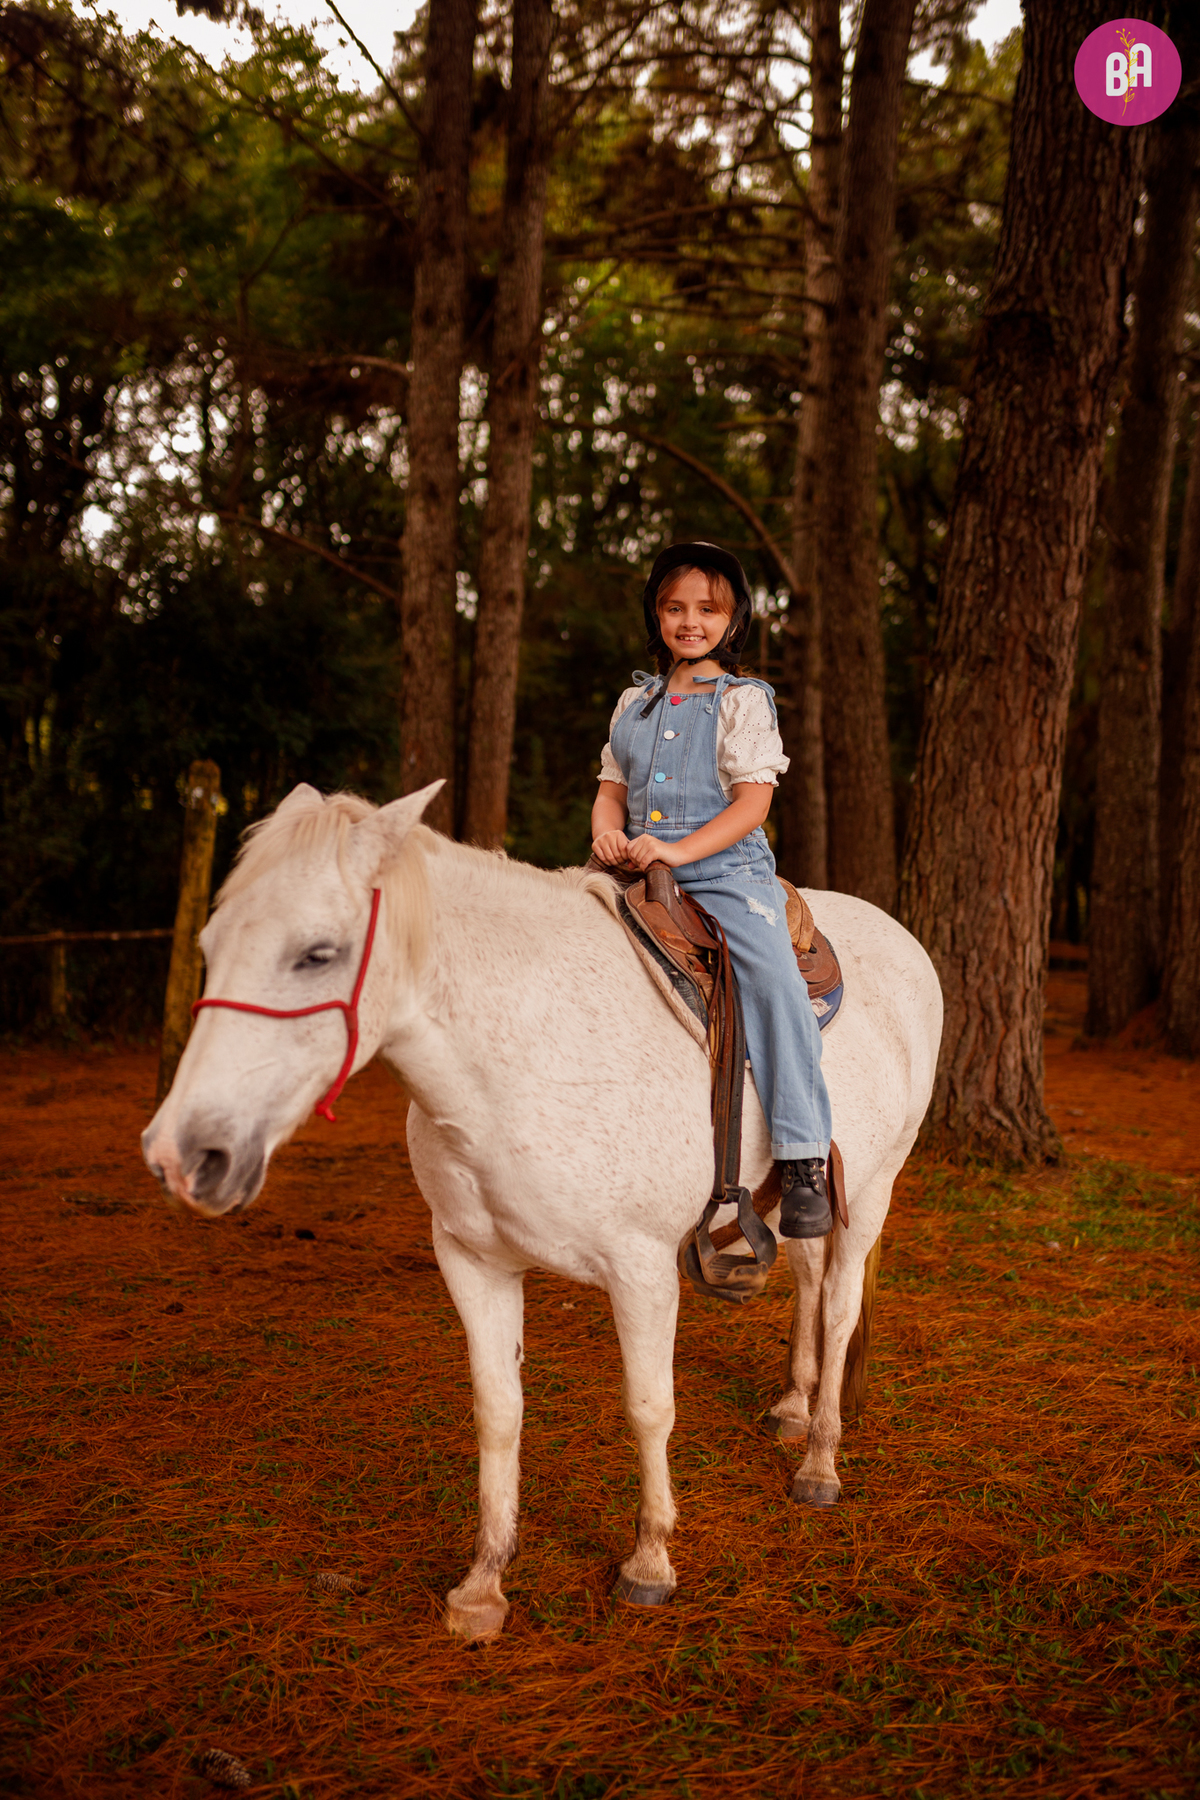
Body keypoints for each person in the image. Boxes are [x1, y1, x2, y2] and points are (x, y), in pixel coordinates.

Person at [590, 541, 834, 1238]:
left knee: (772, 977)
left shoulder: (743, 702)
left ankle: (803, 1155)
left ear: (733, 620)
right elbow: (610, 793)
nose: (689, 621)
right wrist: (607, 835)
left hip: (725, 871)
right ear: (657, 615)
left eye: (706, 609)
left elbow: (752, 804)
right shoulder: (635, 701)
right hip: (637, 865)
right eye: (675, 608)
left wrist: (677, 849)